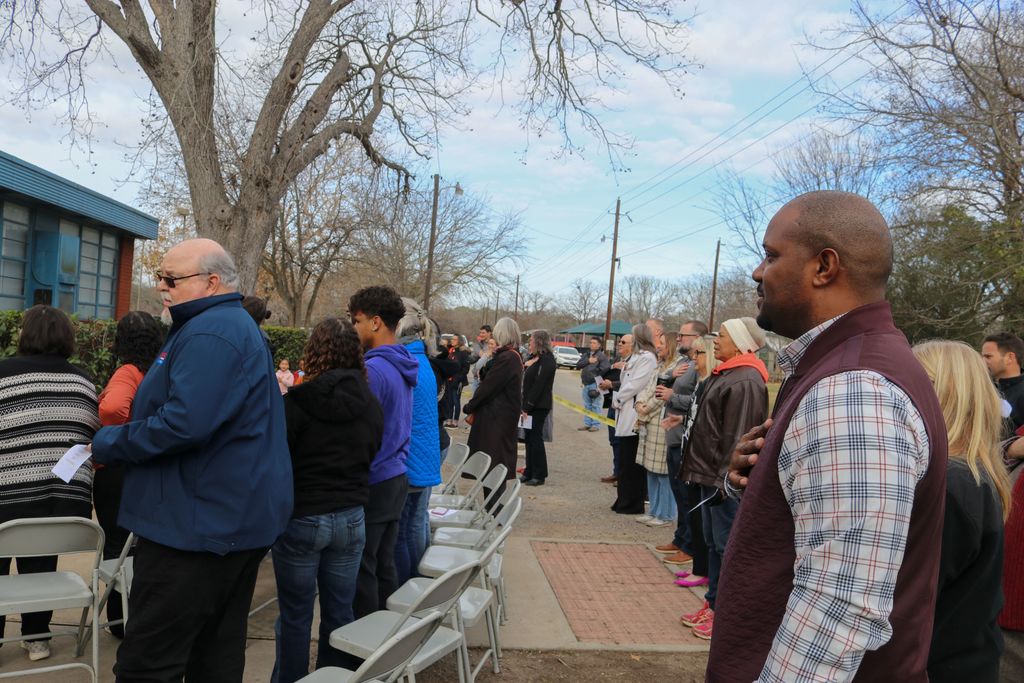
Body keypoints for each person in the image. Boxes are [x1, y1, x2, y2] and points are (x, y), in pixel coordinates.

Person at [711, 192, 949, 682]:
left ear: (824, 267)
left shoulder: (855, 387)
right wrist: (758, 484)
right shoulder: (843, 369)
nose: (758, 272)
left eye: (772, 255)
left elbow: (840, 604)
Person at [91, 238, 293, 682]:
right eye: (159, 276)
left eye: (171, 278)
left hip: (196, 531)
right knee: (212, 655)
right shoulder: (217, 326)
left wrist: (107, 443)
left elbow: (184, 423)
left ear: (211, 282)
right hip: (216, 521)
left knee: (150, 664)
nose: (161, 285)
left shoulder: (212, 332)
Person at [272, 318, 383, 683]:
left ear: (314, 352)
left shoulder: (297, 403)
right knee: (339, 611)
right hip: (350, 517)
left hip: (304, 517)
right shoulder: (370, 404)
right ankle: (334, 676)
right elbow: (372, 451)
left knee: (295, 615)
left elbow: (280, 459)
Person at [0, 305, 100, 662]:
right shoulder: (83, 380)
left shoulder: (2, 374)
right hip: (63, 509)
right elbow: (91, 431)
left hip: (5, 503)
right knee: (40, 556)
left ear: (24, 335)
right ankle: (37, 637)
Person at [911, 341, 1010, 683]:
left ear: (939, 394)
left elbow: (908, 601)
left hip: (939, 666)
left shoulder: (949, 484)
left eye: (910, 384)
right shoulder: (971, 473)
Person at [678, 317, 768, 640]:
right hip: (711, 479)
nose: (716, 340)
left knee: (725, 547)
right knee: (714, 545)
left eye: (724, 335)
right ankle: (713, 604)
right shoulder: (729, 372)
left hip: (723, 484)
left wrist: (725, 483)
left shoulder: (745, 379)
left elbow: (737, 439)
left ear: (742, 342)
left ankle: (725, 615)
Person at [348, 285, 418, 618]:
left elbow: (360, 433)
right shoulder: (401, 362)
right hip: (396, 476)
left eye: (356, 320)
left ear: (376, 322)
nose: (353, 328)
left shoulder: (374, 371)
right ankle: (387, 647)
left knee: (364, 572)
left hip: (376, 479)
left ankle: (365, 656)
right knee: (383, 566)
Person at [94, 310, 164, 639]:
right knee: (144, 546)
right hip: (150, 467)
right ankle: (141, 616)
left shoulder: (127, 372)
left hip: (119, 470)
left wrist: (124, 434)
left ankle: (120, 622)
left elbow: (111, 409)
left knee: (117, 548)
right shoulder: (161, 370)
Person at [394, 298, 442, 584]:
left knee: (403, 532)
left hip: (412, 460)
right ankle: (419, 584)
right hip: (423, 457)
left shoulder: (406, 362)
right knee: (414, 524)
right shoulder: (420, 358)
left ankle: (408, 587)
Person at [663, 334, 717, 586]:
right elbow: (696, 415)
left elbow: (710, 421)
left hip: (704, 461)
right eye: (693, 354)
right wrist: (681, 420)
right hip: (689, 450)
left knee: (702, 518)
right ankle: (700, 566)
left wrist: (674, 401)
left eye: (699, 354)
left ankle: (704, 570)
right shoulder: (704, 381)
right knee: (696, 515)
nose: (694, 360)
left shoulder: (714, 382)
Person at [653, 320, 707, 565]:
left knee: (687, 497)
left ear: (697, 338)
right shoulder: (685, 364)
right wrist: (668, 378)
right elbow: (660, 382)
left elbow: (699, 403)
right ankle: (679, 538)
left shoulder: (701, 366)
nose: (680, 339)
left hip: (684, 436)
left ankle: (689, 546)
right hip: (673, 433)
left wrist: (673, 396)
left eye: (684, 335)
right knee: (678, 492)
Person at [463, 317, 523, 501]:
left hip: (497, 420)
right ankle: (491, 509)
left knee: (494, 466)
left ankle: (494, 512)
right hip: (497, 418)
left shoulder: (507, 358)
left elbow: (489, 386)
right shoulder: (507, 356)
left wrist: (470, 406)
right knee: (490, 466)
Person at [634, 321, 680, 527]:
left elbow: (662, 394)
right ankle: (653, 510)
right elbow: (646, 388)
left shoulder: (677, 367)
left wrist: (646, 408)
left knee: (663, 472)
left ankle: (666, 514)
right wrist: (639, 403)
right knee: (650, 469)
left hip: (661, 424)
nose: (658, 346)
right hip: (649, 423)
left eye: (661, 343)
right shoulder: (660, 366)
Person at [610, 324, 658, 515]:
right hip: (625, 410)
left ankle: (631, 502)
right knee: (624, 461)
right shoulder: (635, 358)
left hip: (633, 412)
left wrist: (619, 398)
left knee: (630, 463)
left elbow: (636, 383)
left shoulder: (647, 358)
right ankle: (623, 499)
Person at [520, 330, 557, 486]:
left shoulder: (547, 360)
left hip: (539, 405)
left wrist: (527, 406)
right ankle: (529, 470)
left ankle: (539, 474)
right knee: (528, 438)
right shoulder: (533, 358)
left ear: (540, 342)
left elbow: (539, 385)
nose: (530, 343)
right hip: (528, 404)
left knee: (536, 439)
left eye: (532, 341)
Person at [599, 335, 632, 484]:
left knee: (622, 443)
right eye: (619, 342)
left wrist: (611, 384)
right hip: (613, 405)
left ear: (632, 345)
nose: (619, 344)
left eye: (623, 342)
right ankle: (616, 471)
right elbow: (602, 372)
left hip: (625, 408)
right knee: (614, 441)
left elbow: (629, 384)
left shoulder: (636, 363)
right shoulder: (618, 361)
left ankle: (623, 475)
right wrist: (613, 367)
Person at [982, 332, 1024, 429]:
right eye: (982, 356)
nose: (982, 361)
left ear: (1010, 357)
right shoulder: (987, 390)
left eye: (988, 356)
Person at [575, 337, 610, 432]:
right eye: (590, 342)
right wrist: (588, 361)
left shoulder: (601, 356)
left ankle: (595, 425)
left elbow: (606, 368)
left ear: (599, 345)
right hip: (585, 383)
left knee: (596, 405)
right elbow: (578, 365)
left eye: (594, 343)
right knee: (587, 405)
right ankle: (587, 424)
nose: (592, 344)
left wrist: (595, 376)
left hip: (595, 383)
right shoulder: (586, 355)